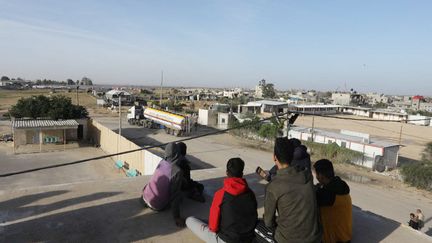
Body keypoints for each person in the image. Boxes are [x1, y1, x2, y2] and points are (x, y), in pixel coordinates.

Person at [261, 137, 322, 243]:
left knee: (258, 227)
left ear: (274, 157)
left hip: (287, 239)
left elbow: (268, 222)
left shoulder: (273, 187)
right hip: (315, 238)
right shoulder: (307, 175)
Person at [186, 158, 258, 243]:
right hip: (247, 239)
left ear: (227, 173)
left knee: (190, 220)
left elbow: (213, 227)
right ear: (242, 174)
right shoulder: (250, 194)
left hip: (225, 240)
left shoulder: (221, 194)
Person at [140, 142, 185, 227]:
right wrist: (177, 217)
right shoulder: (177, 171)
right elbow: (174, 196)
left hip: (145, 198)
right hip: (157, 206)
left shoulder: (161, 162)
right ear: (178, 153)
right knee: (181, 196)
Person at [314, 159, 352, 243]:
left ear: (320, 175)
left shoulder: (327, 194)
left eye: (316, 174)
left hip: (335, 240)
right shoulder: (339, 184)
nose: (316, 177)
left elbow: (311, 202)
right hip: (345, 236)